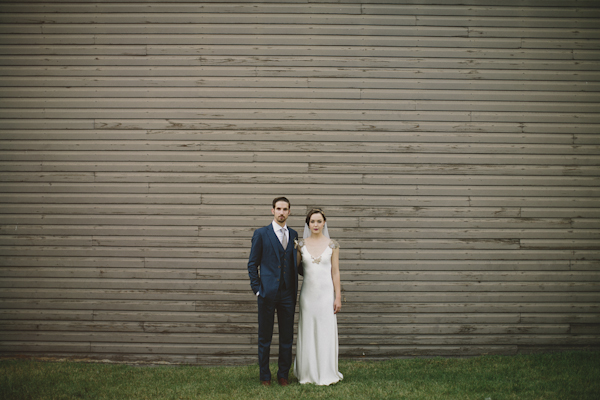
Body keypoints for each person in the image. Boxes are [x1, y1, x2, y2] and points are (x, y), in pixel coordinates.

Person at [247, 197, 300, 387]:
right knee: (265, 337)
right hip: (267, 294)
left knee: (286, 337)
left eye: (285, 209)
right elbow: (252, 264)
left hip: (287, 294)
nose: (281, 212)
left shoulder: (293, 234)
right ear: (272, 211)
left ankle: (283, 375)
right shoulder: (261, 234)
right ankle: (265, 376)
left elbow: (296, 263)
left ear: (289, 212)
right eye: (278, 209)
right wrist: (257, 290)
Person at [294, 208, 343, 385]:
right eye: (312, 221)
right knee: (308, 330)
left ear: (324, 223)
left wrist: (338, 297)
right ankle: (307, 372)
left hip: (326, 295)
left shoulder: (333, 245)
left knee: (325, 331)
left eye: (319, 221)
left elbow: (335, 272)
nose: (315, 224)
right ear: (308, 224)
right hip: (308, 295)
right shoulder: (300, 245)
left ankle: (326, 371)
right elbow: (294, 270)